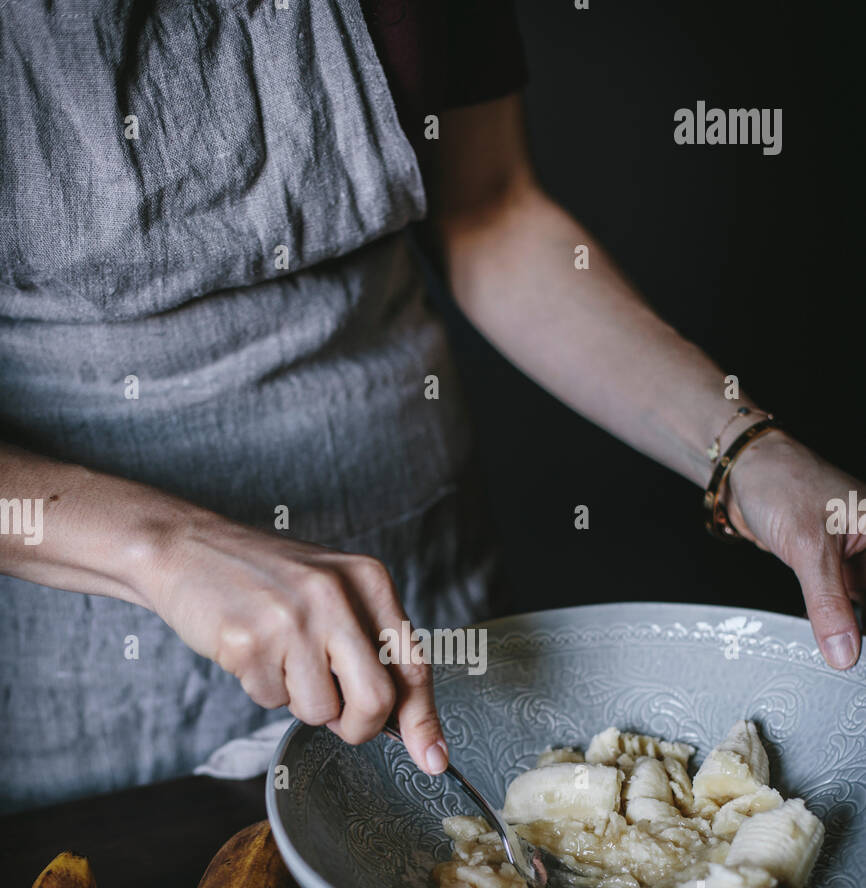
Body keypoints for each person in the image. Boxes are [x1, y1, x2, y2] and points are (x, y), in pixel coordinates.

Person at [1, 0, 862, 814]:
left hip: (425, 584)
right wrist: (163, 548)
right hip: (87, 671)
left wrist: (743, 449)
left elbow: (491, 212)